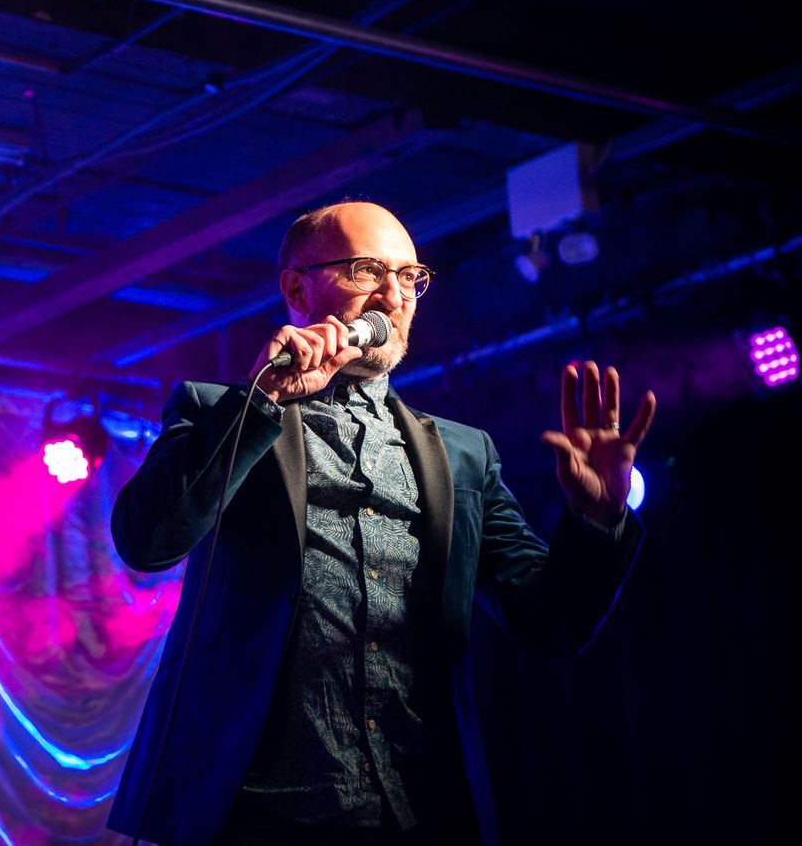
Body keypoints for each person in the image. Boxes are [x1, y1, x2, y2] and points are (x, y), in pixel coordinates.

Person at [106, 201, 655, 846]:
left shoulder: (463, 454)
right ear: (296, 289)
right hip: (252, 812)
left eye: (409, 277)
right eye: (367, 271)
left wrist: (596, 520)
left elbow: (550, 622)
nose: (393, 297)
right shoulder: (218, 412)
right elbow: (146, 540)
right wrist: (261, 400)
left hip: (417, 811)